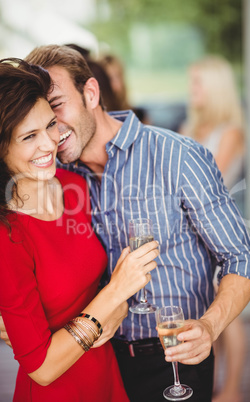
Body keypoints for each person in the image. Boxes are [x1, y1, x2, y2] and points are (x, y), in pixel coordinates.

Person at [0, 45, 250, 402]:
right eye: (36, 123)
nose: (51, 131)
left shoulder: (178, 156)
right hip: (98, 358)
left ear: (90, 93)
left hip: (172, 357)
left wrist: (210, 326)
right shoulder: (57, 175)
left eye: (55, 107)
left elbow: (242, 259)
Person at [0, 58, 159, 402]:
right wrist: (115, 294)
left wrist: (114, 308)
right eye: (29, 136)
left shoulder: (75, 185)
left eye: (50, 125)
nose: (49, 144)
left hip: (107, 375)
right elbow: (40, 368)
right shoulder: (8, 235)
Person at [181, 55, 247, 402]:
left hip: (219, 230)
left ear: (216, 88)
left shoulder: (231, 131)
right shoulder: (191, 128)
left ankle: (232, 388)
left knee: (227, 312)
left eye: (197, 82)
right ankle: (210, 385)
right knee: (206, 311)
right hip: (191, 231)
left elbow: (209, 181)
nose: (191, 89)